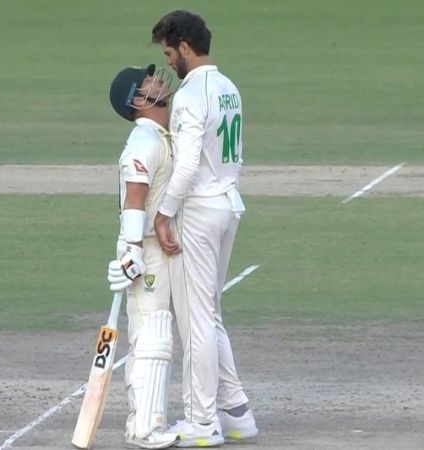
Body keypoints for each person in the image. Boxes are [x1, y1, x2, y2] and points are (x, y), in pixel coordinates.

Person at [149, 10, 259, 447]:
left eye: (169, 53)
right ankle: (236, 412)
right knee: (209, 315)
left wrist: (163, 212)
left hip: (199, 210)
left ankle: (201, 422)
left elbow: (188, 162)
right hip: (229, 204)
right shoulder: (229, 87)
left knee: (195, 321)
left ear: (186, 48)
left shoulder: (191, 94)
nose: (169, 62)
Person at [106, 63, 180, 449]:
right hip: (145, 250)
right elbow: (134, 198)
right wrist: (130, 250)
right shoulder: (144, 142)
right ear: (138, 98)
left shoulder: (160, 135)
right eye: (148, 79)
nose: (158, 80)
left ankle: (150, 420)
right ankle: (143, 429)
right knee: (151, 335)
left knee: (156, 330)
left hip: (156, 247)